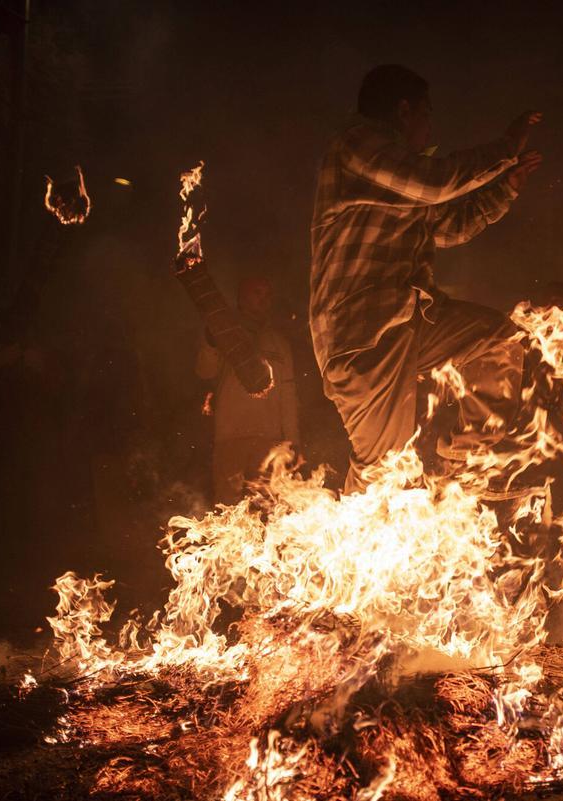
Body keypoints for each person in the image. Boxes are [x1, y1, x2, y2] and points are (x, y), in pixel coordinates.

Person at [309, 64, 543, 491]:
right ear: (404, 111)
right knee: (384, 476)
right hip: (363, 336)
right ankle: (359, 554)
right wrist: (505, 147)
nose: (429, 126)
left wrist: (504, 188)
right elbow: (436, 183)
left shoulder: (399, 176)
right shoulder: (356, 145)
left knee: (499, 341)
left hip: (412, 321)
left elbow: (449, 226)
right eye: (426, 114)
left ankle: (463, 466)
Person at [196, 275, 299, 503]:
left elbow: (288, 397)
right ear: (241, 298)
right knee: (229, 511)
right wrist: (210, 342)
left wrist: (292, 442)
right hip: (230, 439)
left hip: (269, 443)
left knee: (268, 509)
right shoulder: (225, 335)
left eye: (268, 295)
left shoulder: (279, 344)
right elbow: (205, 372)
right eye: (257, 293)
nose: (264, 299)